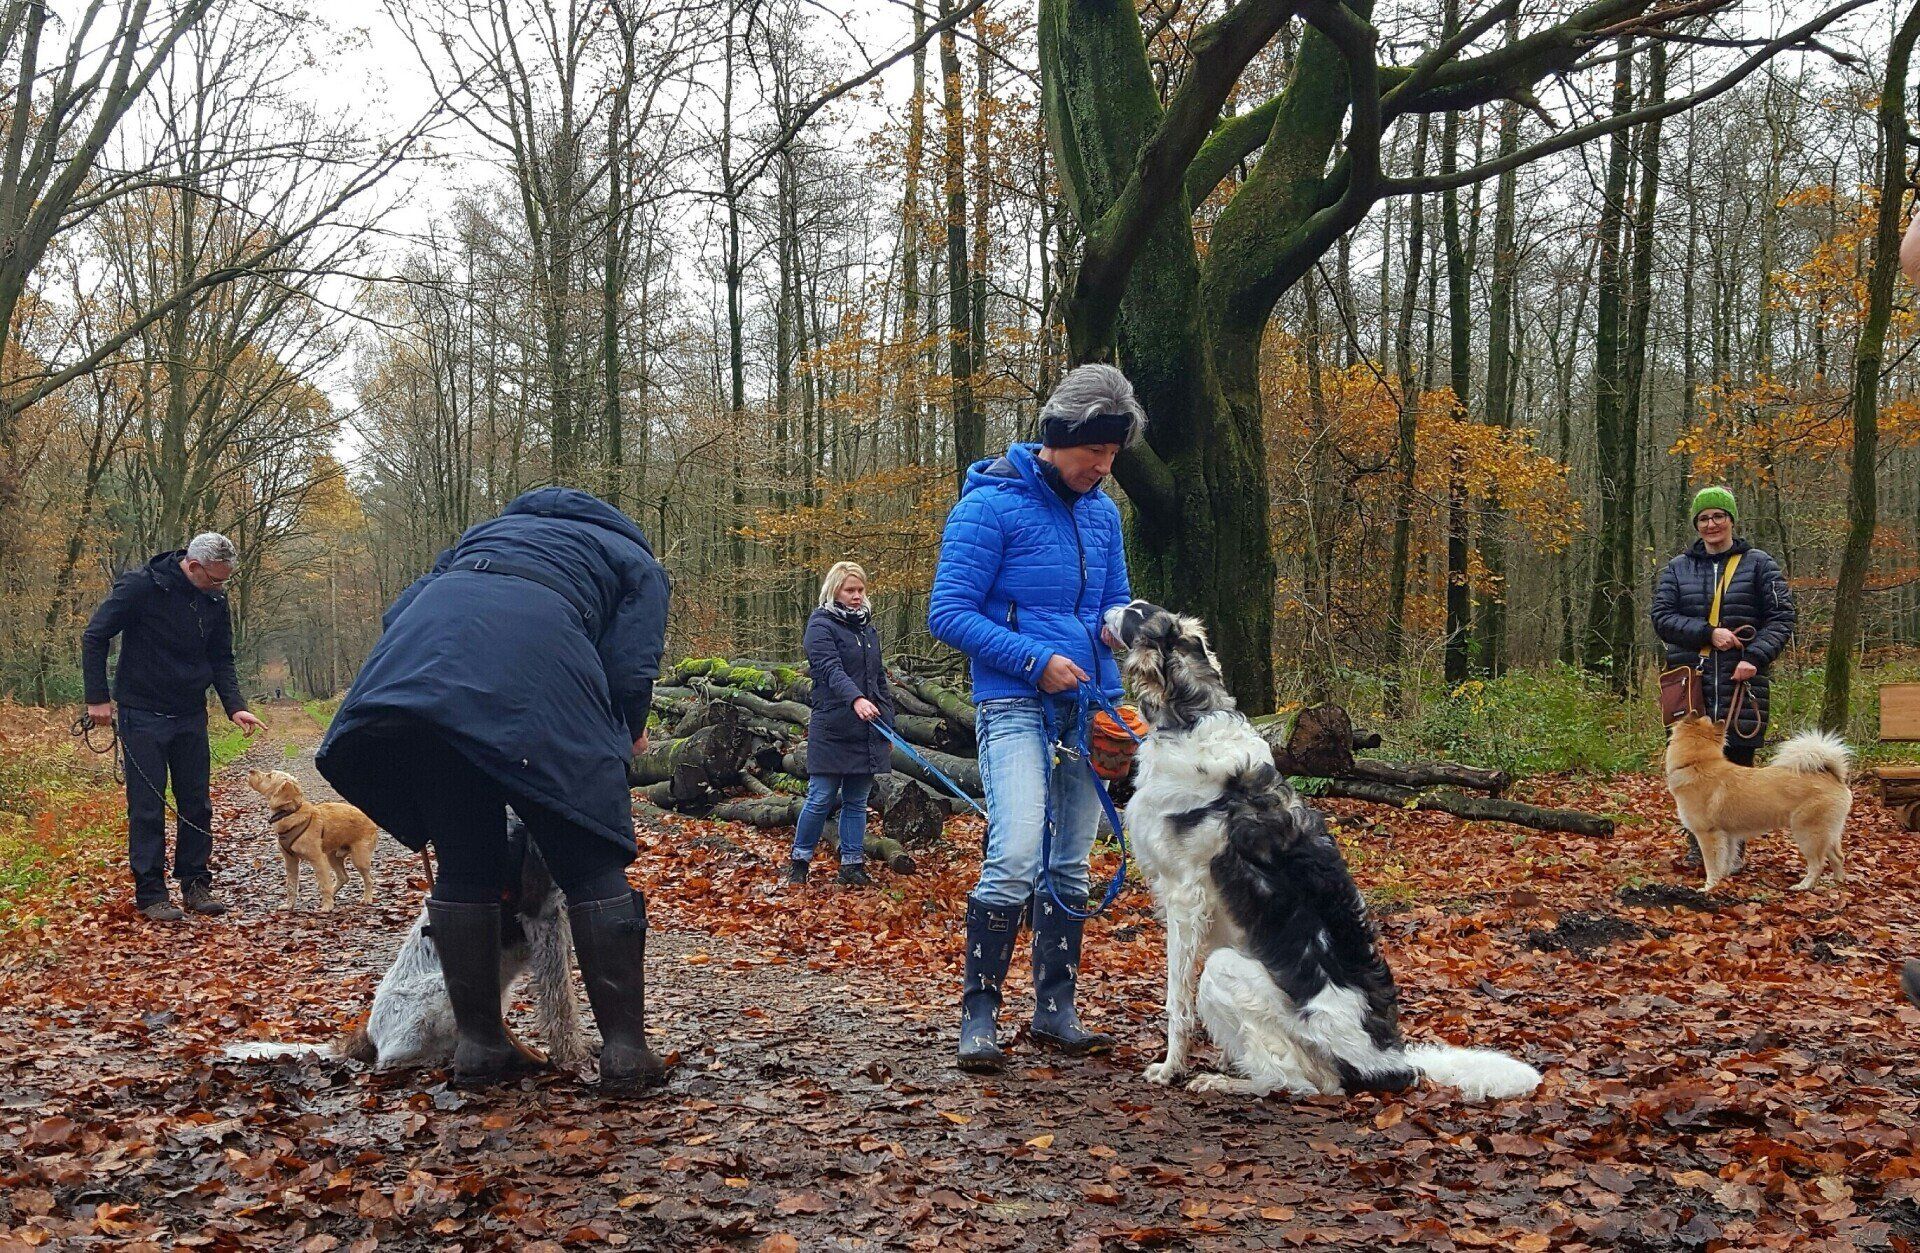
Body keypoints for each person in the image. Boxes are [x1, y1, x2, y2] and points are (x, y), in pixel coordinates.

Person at [315, 487, 671, 1092]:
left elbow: (398, 614)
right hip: (544, 690)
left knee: (466, 865)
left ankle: (479, 1047)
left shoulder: (479, 540)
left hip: (424, 693)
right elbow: (631, 664)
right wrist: (630, 731)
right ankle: (626, 1056)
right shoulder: (632, 558)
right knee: (590, 867)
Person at [928, 362, 1143, 1073]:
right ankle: (979, 1016)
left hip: (1089, 707)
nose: (1104, 467)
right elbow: (948, 612)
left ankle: (1055, 1009)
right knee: (1016, 851)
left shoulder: (1104, 514)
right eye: (1095, 453)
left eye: (1114, 456)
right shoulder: (988, 508)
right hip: (1013, 701)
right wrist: (1032, 659)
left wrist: (1124, 643)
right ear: (1060, 437)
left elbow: (1112, 602)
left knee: (1069, 861)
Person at [82, 532, 265, 922]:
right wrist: (97, 698)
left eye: (225, 580)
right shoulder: (141, 587)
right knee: (147, 808)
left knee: (196, 804)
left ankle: (196, 883)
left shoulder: (215, 597)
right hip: (142, 714)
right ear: (193, 566)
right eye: (215, 578)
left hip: (190, 715)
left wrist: (235, 706)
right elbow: (95, 635)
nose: (221, 586)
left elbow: (221, 656)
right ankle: (151, 893)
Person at [1651, 486, 1797, 867]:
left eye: (1718, 516)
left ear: (1731, 519)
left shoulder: (1760, 564)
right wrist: (1706, 632)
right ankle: (1698, 848)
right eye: (1704, 518)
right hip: (1691, 685)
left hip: (1742, 683)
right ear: (1696, 525)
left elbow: (1782, 619)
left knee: (1739, 767)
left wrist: (1756, 657)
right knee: (1690, 769)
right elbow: (1662, 618)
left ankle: (1733, 851)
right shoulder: (1676, 568)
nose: (1711, 524)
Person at [789, 561, 894, 888]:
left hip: (867, 730)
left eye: (860, 590)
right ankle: (799, 860)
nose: (857, 596)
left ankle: (852, 863)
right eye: (850, 590)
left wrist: (888, 726)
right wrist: (855, 699)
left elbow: (879, 680)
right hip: (833, 726)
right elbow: (830, 670)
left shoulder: (868, 629)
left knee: (857, 801)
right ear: (834, 590)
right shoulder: (820, 626)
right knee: (820, 797)